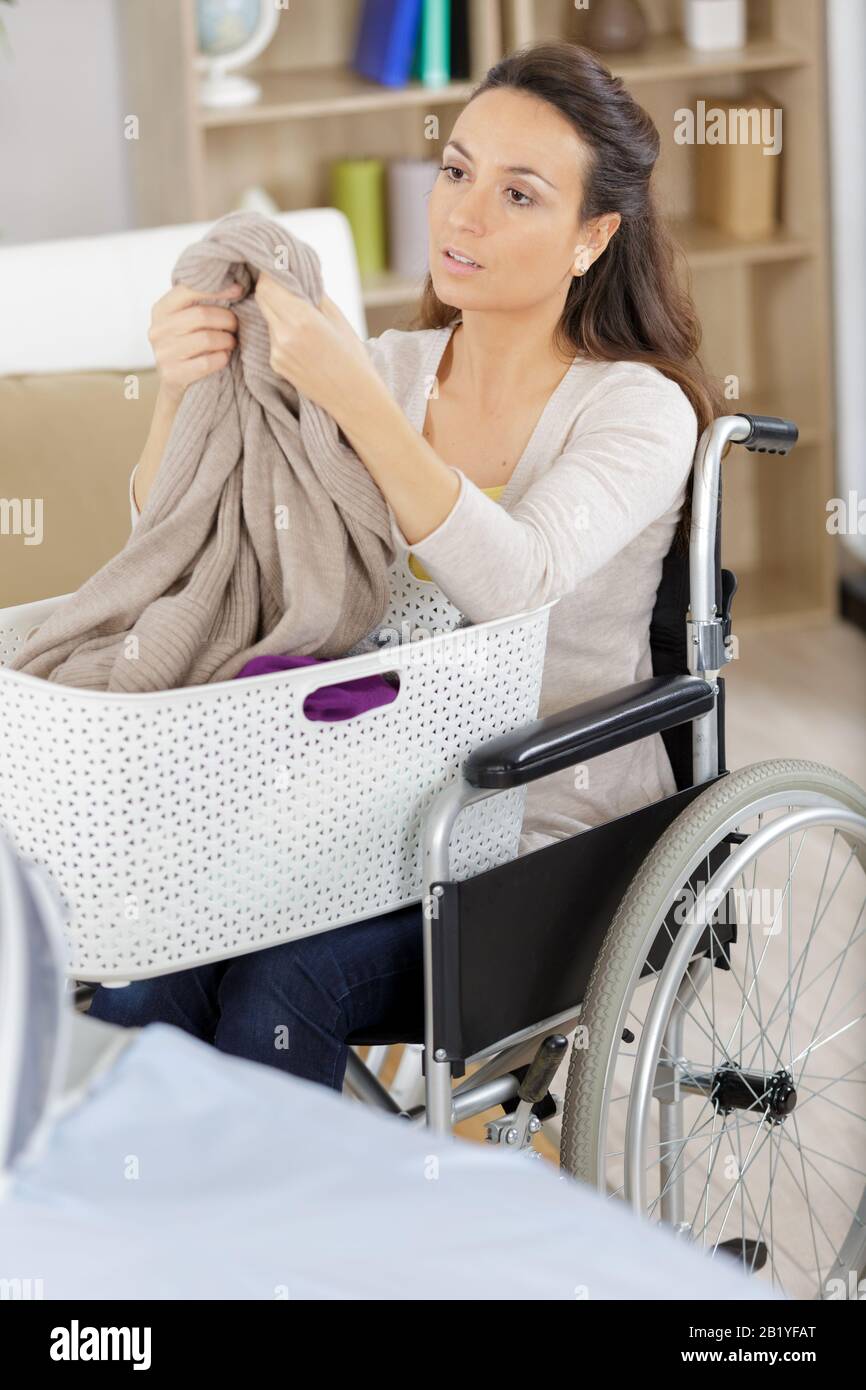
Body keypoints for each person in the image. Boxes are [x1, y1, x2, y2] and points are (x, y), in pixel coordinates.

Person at [89, 39, 721, 1093]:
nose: (463, 215)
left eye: (518, 194)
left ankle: (296, 1250)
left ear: (590, 237)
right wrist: (179, 393)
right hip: (368, 810)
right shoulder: (386, 367)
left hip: (545, 837)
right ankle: (145, 1231)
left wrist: (359, 405)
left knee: (275, 991)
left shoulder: (634, 408)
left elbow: (518, 581)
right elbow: (191, 546)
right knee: (143, 967)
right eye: (457, 171)